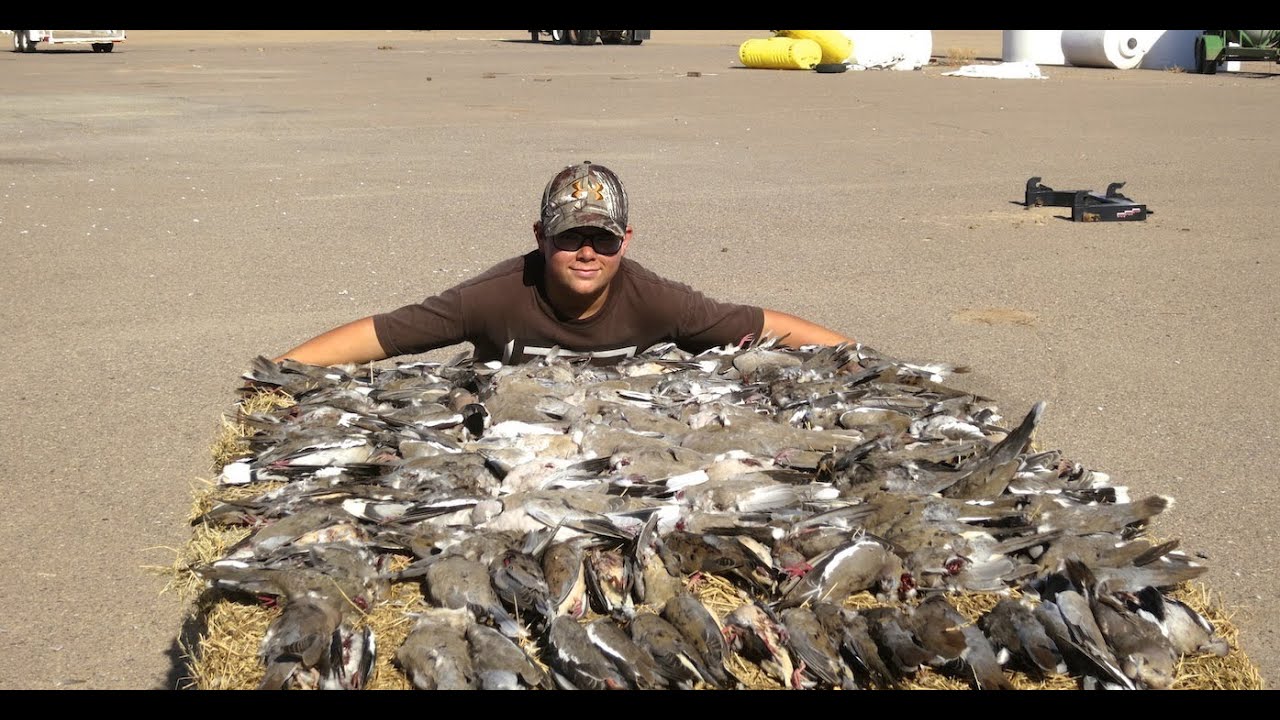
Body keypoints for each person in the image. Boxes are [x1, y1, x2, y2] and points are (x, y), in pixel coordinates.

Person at [273, 161, 854, 368]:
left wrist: (864, 360)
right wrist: (279, 372)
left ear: (624, 241)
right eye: (569, 237)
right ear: (540, 237)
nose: (586, 253)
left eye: (601, 240)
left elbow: (762, 325)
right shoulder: (496, 295)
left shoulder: (657, 299)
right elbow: (387, 334)